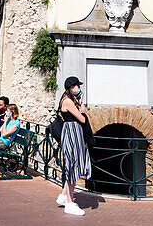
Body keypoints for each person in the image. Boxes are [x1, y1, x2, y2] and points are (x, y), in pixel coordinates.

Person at [57, 76, 91, 216]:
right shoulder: (68, 102)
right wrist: (82, 108)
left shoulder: (68, 100)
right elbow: (82, 118)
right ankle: (70, 203)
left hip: (73, 132)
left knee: (73, 163)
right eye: (76, 86)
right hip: (72, 133)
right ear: (71, 88)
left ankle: (64, 196)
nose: (78, 88)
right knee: (73, 164)